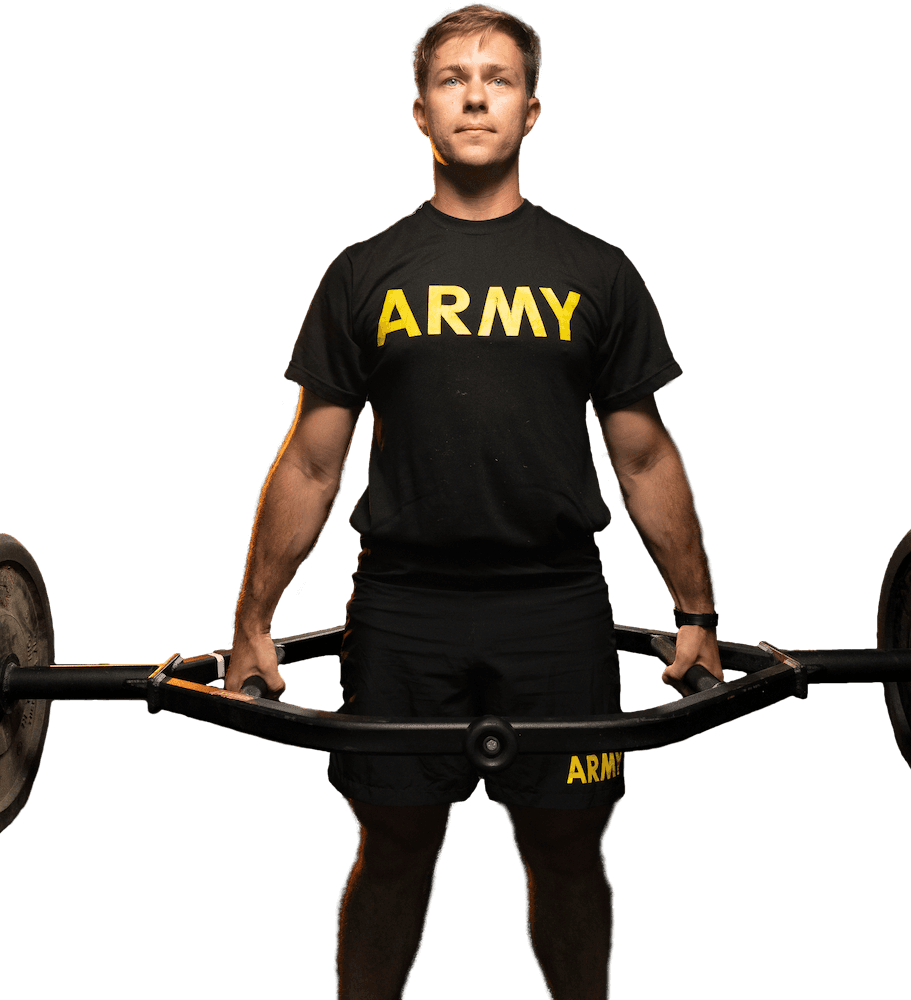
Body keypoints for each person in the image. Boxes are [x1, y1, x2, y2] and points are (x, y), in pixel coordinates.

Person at [224, 5, 723, 998]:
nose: (476, 94)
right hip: (405, 606)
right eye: (452, 78)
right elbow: (311, 463)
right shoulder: (361, 272)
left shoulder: (597, 271)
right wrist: (251, 622)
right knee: (393, 845)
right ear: (418, 111)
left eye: (498, 77)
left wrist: (696, 615)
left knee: (568, 849)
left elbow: (642, 457)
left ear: (533, 108)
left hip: (556, 605)